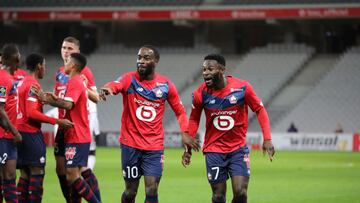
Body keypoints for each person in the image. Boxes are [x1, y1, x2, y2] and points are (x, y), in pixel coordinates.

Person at [100, 45, 199, 203]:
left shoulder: (166, 85)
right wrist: (107, 89)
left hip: (154, 146)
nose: (141, 61)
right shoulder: (129, 79)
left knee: (151, 188)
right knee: (130, 191)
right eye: (139, 57)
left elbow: (180, 112)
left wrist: (185, 133)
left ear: (156, 61)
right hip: (130, 144)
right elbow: (115, 85)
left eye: (146, 58)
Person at [182, 54, 275, 203]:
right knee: (219, 196)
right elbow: (193, 118)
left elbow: (260, 109)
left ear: (222, 69)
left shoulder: (242, 88)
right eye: (204, 69)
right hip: (214, 151)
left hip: (237, 149)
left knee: (241, 193)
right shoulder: (201, 94)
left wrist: (268, 139)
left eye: (210, 69)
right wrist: (188, 149)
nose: (205, 73)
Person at [32, 53, 101, 203]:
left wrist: (47, 100)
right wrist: (54, 98)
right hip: (74, 133)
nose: (66, 62)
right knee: (73, 174)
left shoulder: (75, 81)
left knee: (71, 175)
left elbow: (69, 105)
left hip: (76, 133)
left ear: (74, 66)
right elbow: (67, 102)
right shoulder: (74, 81)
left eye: (69, 60)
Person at [15, 53, 74, 202]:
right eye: (44, 66)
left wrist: (44, 100)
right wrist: (57, 121)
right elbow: (31, 113)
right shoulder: (33, 84)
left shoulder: (21, 82)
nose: (45, 70)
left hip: (19, 132)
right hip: (30, 133)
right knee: (37, 172)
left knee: (24, 174)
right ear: (39, 66)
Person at [52, 36, 100, 202]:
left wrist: (83, 88)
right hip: (62, 125)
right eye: (64, 47)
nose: (66, 51)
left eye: (70, 49)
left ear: (77, 52)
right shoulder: (60, 72)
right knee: (60, 169)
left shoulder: (83, 72)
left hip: (76, 125)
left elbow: (96, 97)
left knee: (78, 170)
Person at [0, 43, 23, 203]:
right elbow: (0, 110)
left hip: (8, 137)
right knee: (7, 177)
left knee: (9, 177)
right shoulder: (3, 79)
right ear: (15, 58)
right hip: (3, 136)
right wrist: (15, 131)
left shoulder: (8, 78)